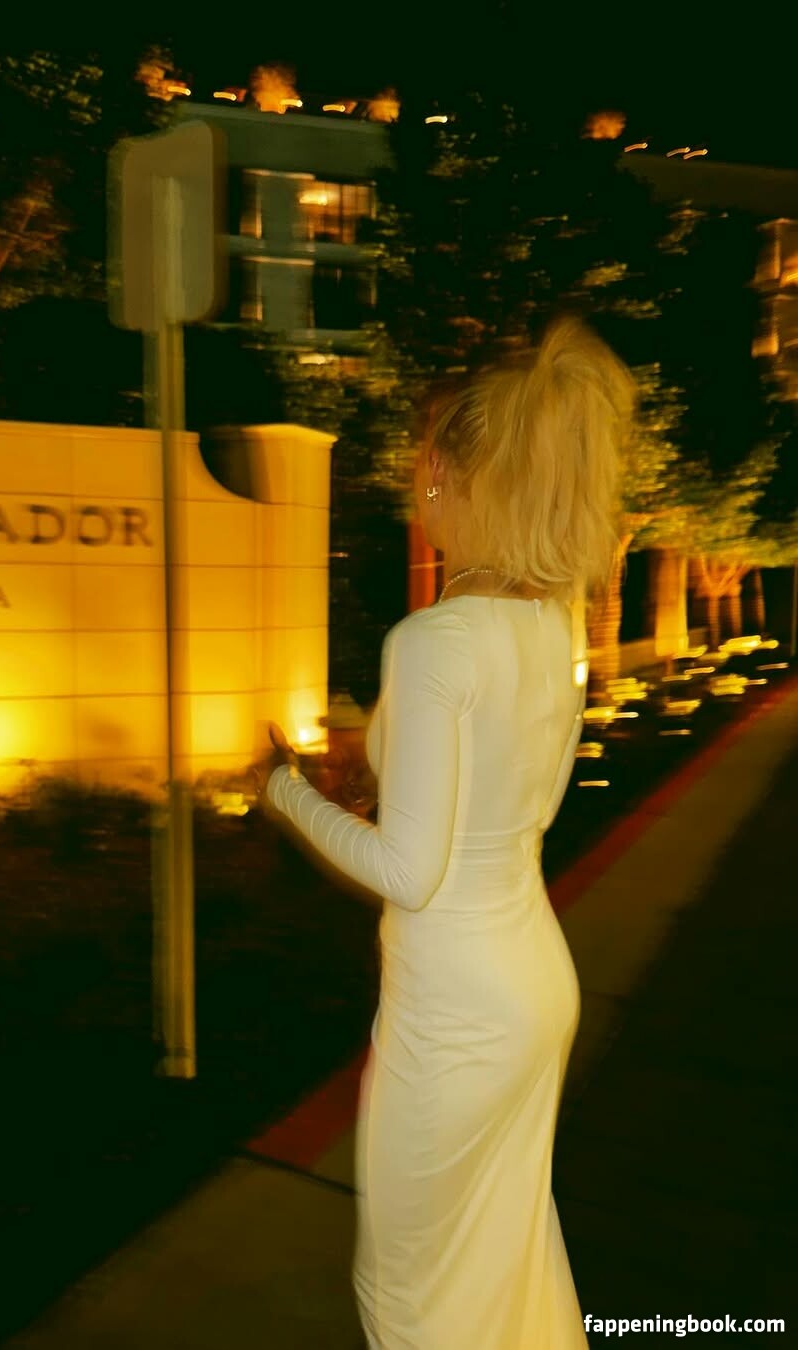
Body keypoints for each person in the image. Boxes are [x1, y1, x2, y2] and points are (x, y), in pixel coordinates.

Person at [255, 315, 635, 1348]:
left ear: (451, 474)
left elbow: (411, 872)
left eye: (422, 454)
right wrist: (369, 773)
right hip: (531, 983)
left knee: (415, 1300)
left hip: (454, 1009)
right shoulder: (548, 623)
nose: (411, 475)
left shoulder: (435, 640)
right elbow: (512, 803)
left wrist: (283, 792)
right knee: (503, 1274)